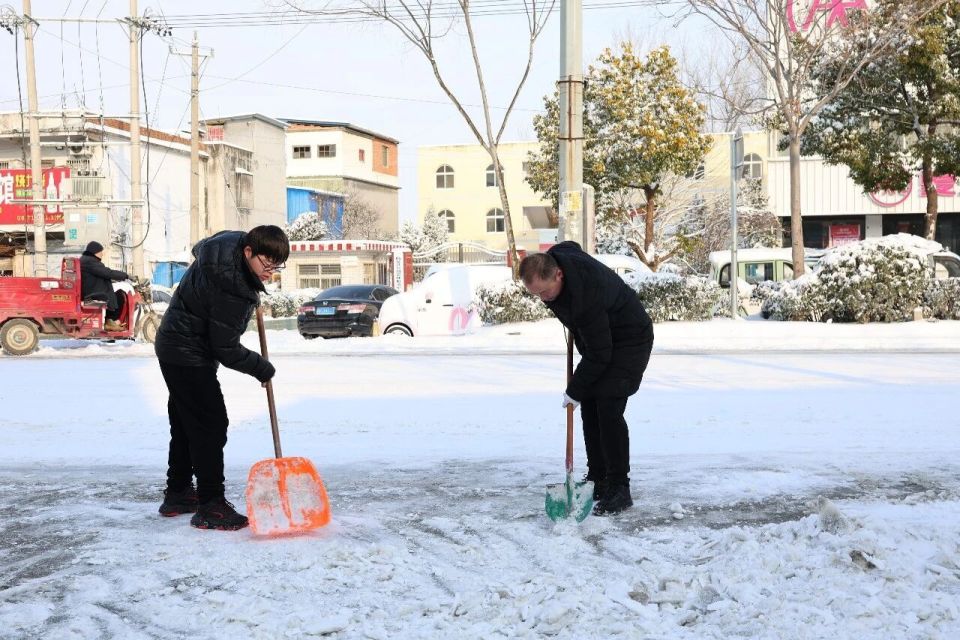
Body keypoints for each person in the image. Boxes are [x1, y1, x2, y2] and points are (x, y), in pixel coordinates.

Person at [154, 225, 289, 531]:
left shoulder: (227, 245)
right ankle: (211, 505)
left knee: (187, 423)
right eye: (266, 265)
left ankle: (178, 493)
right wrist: (262, 368)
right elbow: (225, 348)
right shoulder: (234, 288)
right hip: (188, 354)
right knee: (210, 425)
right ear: (248, 252)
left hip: (174, 345)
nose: (270, 273)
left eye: (276, 266)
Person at [520, 241, 654, 515]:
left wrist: (574, 390)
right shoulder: (557, 260)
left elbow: (599, 355)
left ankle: (619, 488)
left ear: (558, 275)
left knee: (607, 406)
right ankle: (598, 478)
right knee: (590, 406)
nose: (544, 299)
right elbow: (571, 245)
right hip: (602, 338)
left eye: (545, 292)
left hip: (630, 339)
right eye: (537, 295)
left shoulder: (584, 297)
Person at [79, 241, 131, 331]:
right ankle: (110, 322)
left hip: (91, 290)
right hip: (94, 293)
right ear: (95, 252)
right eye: (100, 252)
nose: (102, 254)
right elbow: (107, 272)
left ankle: (110, 321)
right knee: (120, 296)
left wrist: (114, 278)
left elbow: (100, 274)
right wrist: (126, 276)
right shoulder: (90, 262)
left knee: (116, 294)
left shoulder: (86, 260)